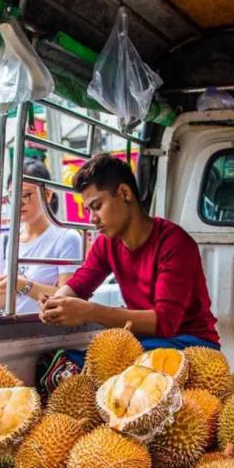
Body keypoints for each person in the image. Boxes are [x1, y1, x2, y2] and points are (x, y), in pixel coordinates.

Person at [38, 153, 220, 375]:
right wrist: (56, 302)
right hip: (145, 344)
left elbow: (164, 323)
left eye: (97, 206)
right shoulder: (107, 244)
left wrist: (90, 311)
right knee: (58, 360)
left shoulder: (174, 243)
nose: (91, 219)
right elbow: (79, 285)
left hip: (193, 347)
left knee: (98, 363)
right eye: (88, 210)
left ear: (124, 193)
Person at [0, 159, 81, 314]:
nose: (18, 202)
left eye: (25, 195)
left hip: (49, 331)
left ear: (47, 195)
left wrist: (23, 284)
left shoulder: (67, 238)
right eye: (12, 196)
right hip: (14, 330)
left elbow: (69, 301)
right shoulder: (9, 240)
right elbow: (4, 303)